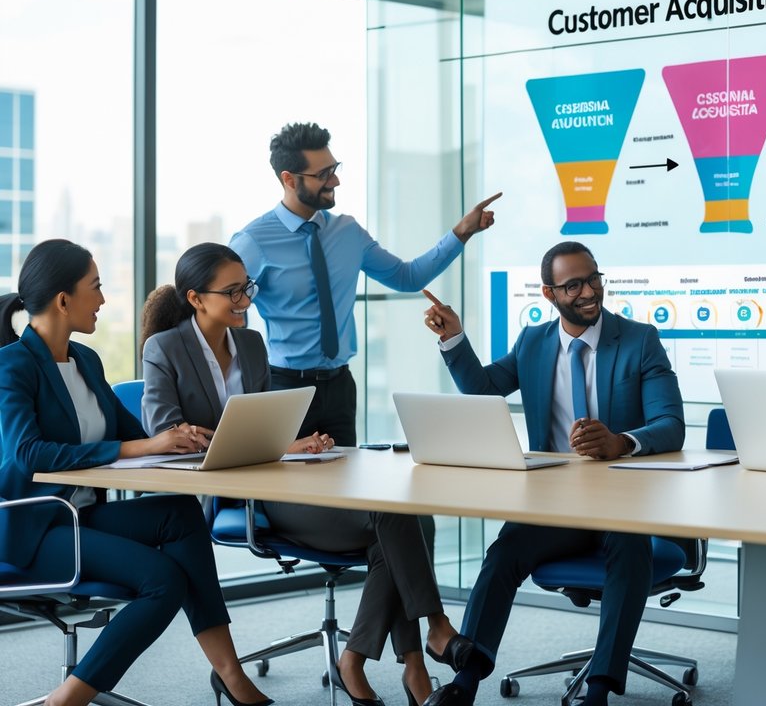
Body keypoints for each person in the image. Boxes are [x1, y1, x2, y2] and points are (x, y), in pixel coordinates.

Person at [140, 243, 473, 706]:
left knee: (406, 519)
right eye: (233, 292)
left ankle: (371, 659)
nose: (245, 300)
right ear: (196, 298)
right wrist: (254, 443)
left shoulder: (253, 344)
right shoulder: (165, 347)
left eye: (247, 288)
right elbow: (167, 433)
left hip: (281, 476)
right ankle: (427, 641)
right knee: (394, 521)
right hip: (245, 500)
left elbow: (262, 426)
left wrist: (294, 444)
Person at [0, 240, 272, 706]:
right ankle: (68, 698)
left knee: (182, 514)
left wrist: (187, 438)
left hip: (80, 516)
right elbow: (30, 454)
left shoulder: (86, 361)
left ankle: (230, 672)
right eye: (96, 287)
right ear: (64, 300)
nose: (104, 300)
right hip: (33, 526)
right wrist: (143, 444)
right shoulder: (13, 365)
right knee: (162, 579)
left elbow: (134, 436)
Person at [419, 241, 686, 706]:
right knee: (504, 553)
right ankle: (466, 682)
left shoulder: (639, 339)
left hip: (621, 502)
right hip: (555, 504)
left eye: (594, 279)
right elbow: (484, 390)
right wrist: (454, 339)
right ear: (549, 293)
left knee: (630, 548)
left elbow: (671, 425)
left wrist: (621, 442)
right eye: (574, 285)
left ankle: (599, 690)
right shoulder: (534, 343)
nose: (589, 292)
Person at [230, 121, 501, 447]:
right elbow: (227, 308)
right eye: (323, 174)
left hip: (341, 386)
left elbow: (406, 277)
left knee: (345, 488)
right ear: (289, 179)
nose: (335, 180)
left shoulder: (348, 232)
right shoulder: (253, 241)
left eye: (334, 168)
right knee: (290, 492)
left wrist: (462, 232)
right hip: (285, 388)